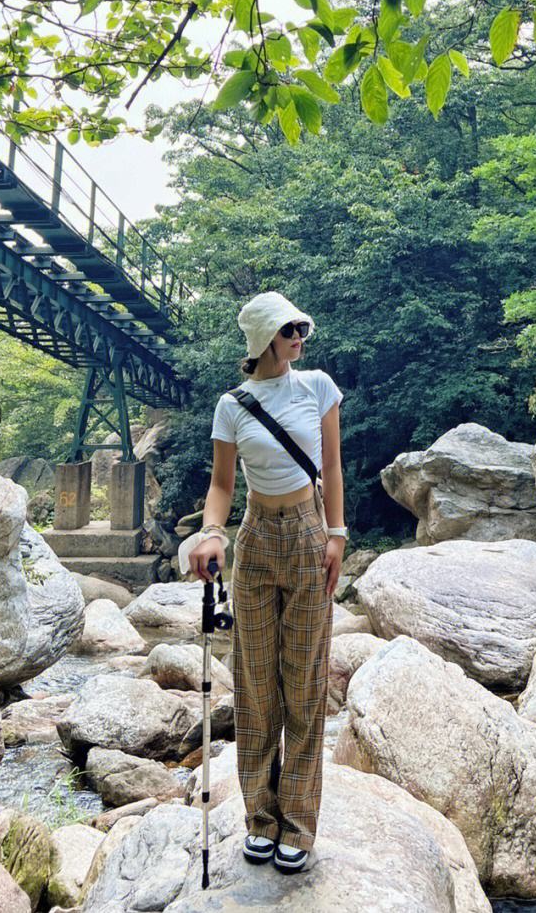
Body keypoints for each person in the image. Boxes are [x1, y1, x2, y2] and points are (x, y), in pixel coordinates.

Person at [189, 291, 347, 875]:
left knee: (304, 686)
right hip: (254, 540)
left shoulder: (319, 388)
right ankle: (261, 817)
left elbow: (332, 466)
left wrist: (337, 533)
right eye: (287, 329)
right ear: (262, 339)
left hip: (308, 533)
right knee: (256, 687)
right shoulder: (231, 405)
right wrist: (211, 533)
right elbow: (223, 485)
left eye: (301, 326)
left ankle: (299, 826)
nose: (299, 336)